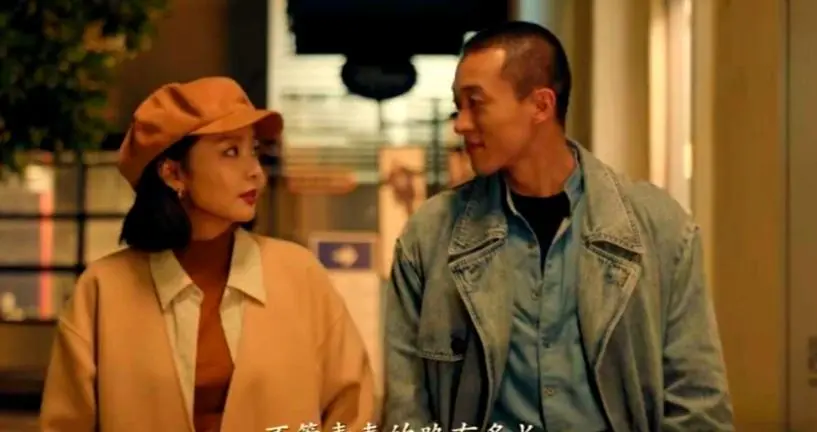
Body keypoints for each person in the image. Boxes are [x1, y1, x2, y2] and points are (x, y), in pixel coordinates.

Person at [382, 21, 733, 432]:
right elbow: (407, 407)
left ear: (541, 105)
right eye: (457, 106)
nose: (461, 123)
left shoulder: (661, 229)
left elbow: (698, 403)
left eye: (476, 103)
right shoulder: (429, 236)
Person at [40, 77, 376, 431]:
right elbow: (65, 424)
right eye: (230, 152)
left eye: (254, 150)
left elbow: (353, 407)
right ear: (173, 173)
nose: (255, 172)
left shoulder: (297, 273)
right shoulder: (103, 289)